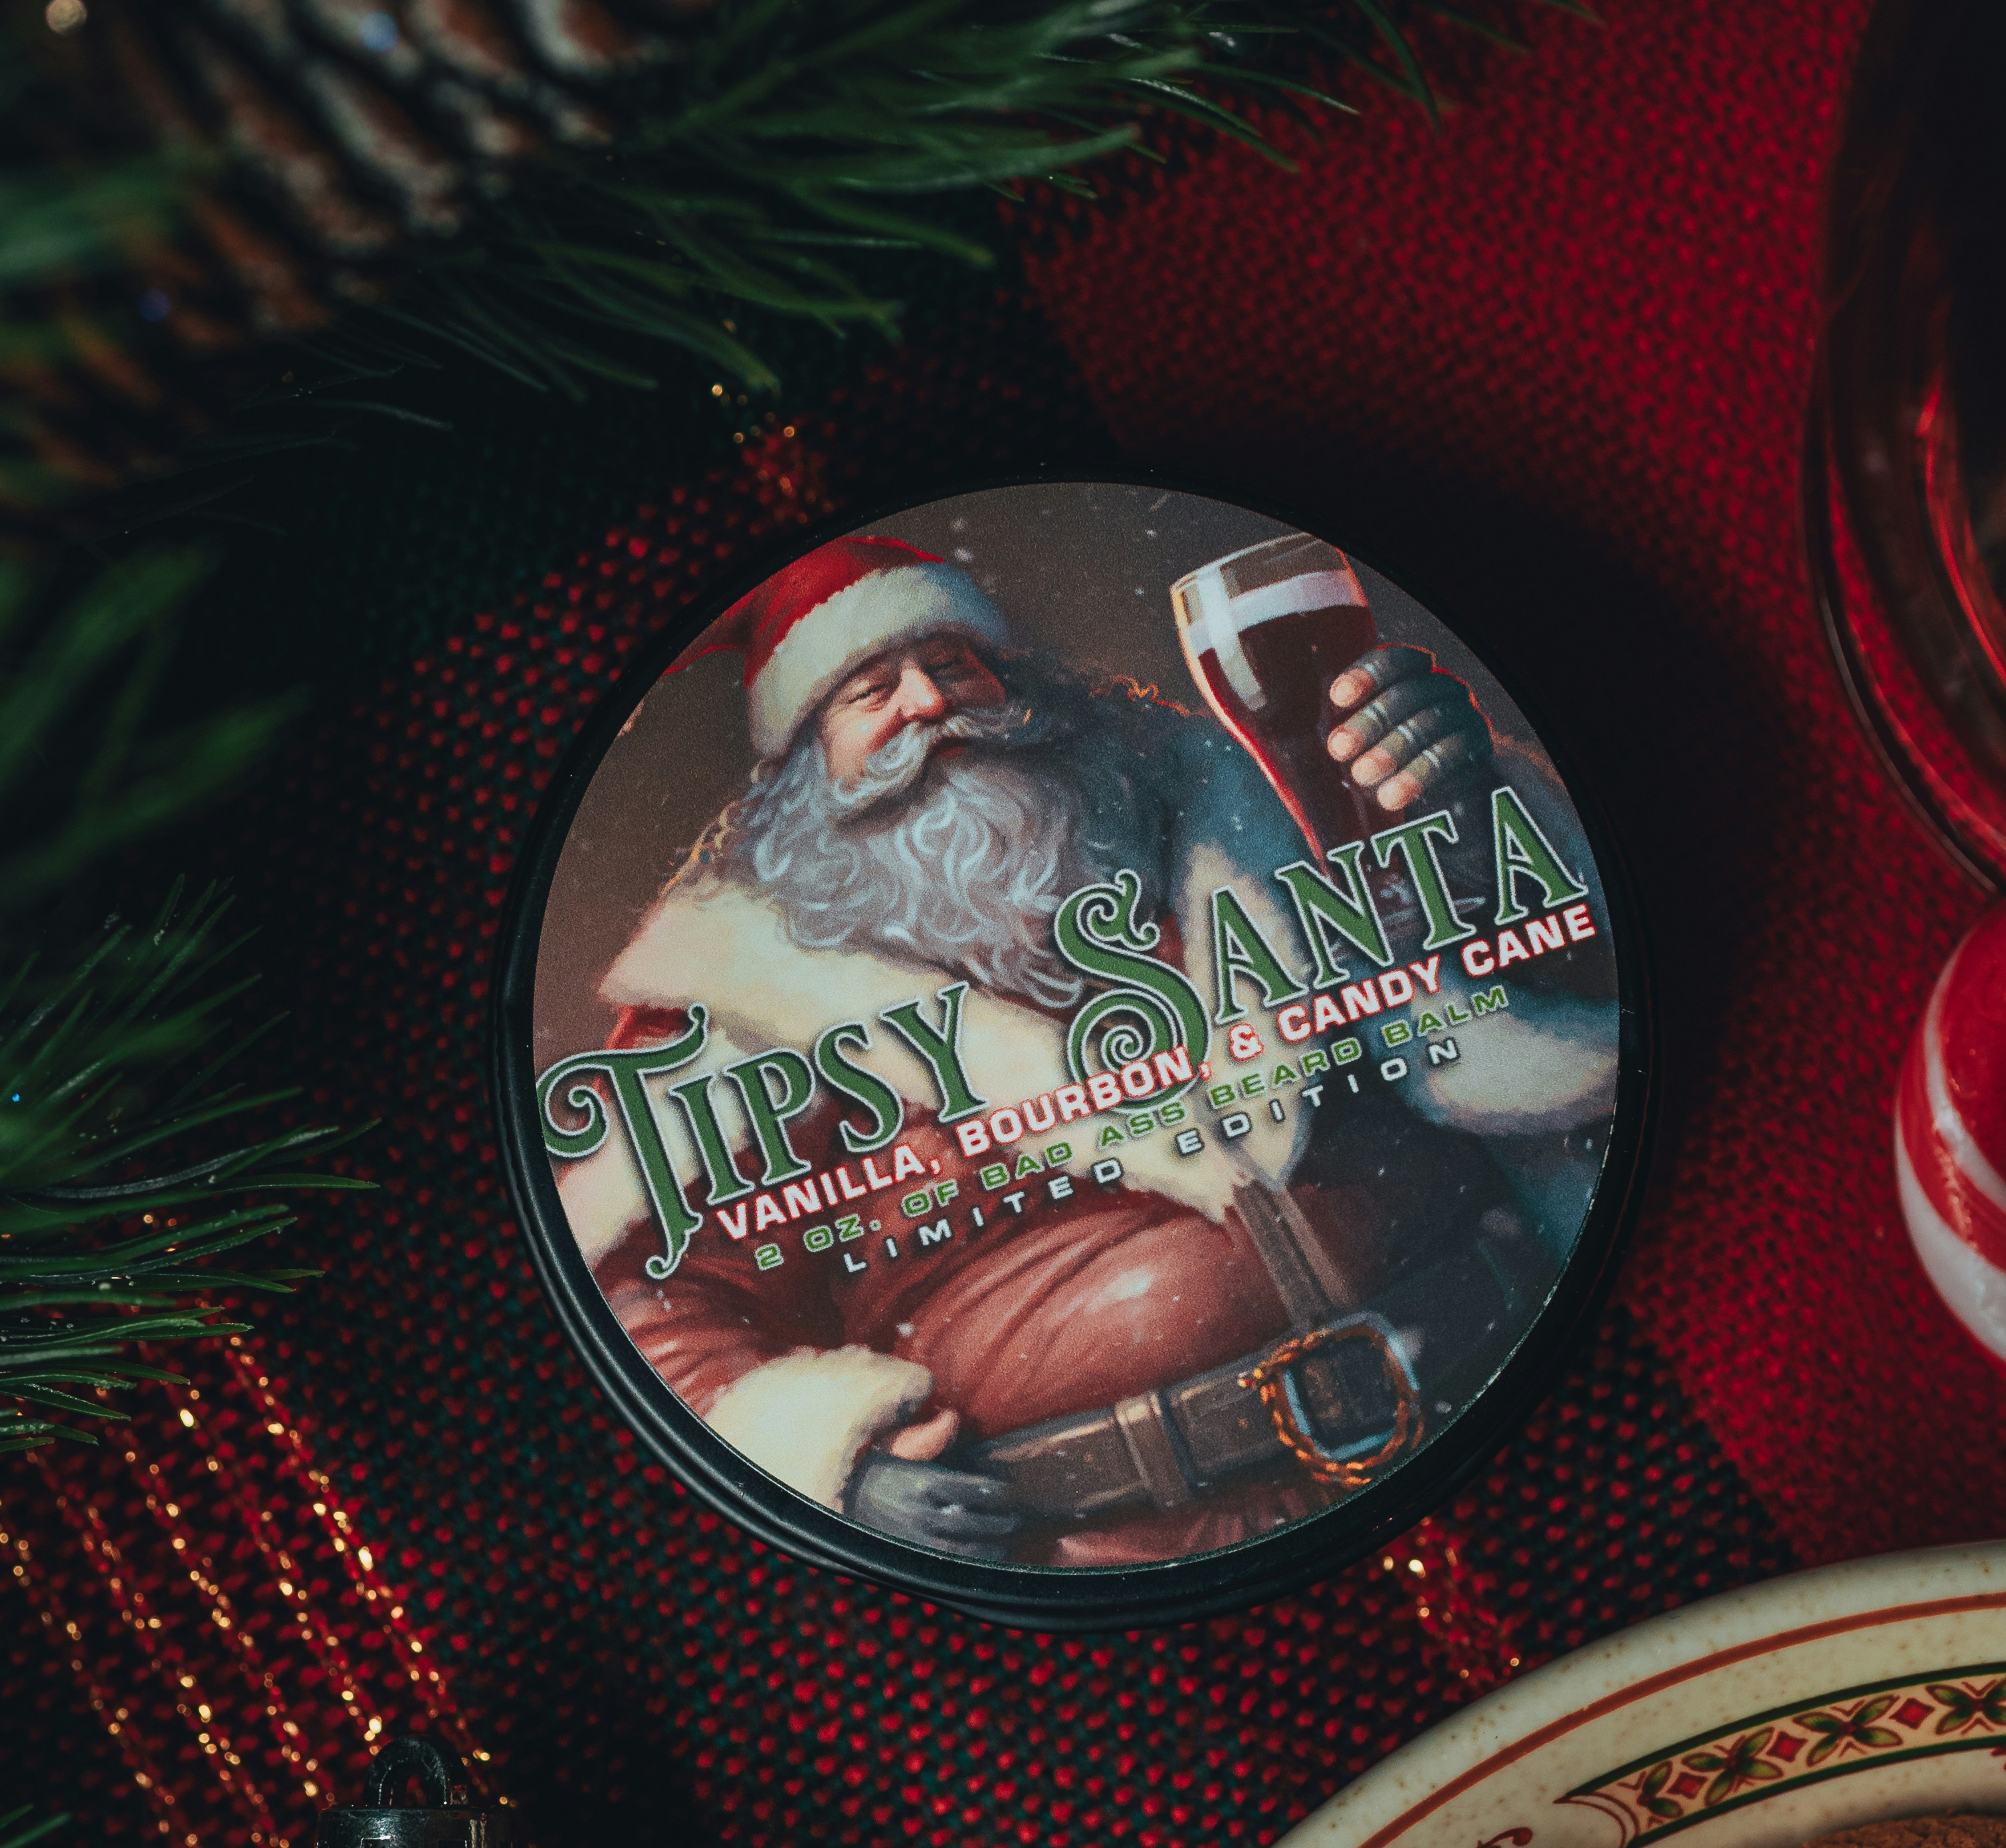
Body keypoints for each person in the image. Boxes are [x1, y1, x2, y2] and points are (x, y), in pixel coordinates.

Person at [555, 534, 1617, 1568]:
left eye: (949, 664)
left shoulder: (1236, 807)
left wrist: (1461, 812)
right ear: (804, 772)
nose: (929, 705)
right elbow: (655, 1296)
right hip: (1120, 1549)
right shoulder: (733, 1017)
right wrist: (833, 1468)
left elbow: (1533, 994)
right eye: (868, 694)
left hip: (1520, 1391)